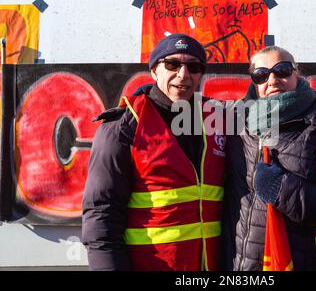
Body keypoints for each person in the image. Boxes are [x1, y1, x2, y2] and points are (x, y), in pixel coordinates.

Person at [82, 33, 226, 271]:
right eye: (172, 64)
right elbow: (101, 213)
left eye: (193, 66)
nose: (183, 74)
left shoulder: (219, 120)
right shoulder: (122, 128)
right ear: (154, 71)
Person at [222, 46, 316, 271]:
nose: (272, 80)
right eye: (261, 75)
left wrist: (282, 189)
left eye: (282, 70)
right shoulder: (234, 121)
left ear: (296, 73)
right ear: (254, 82)